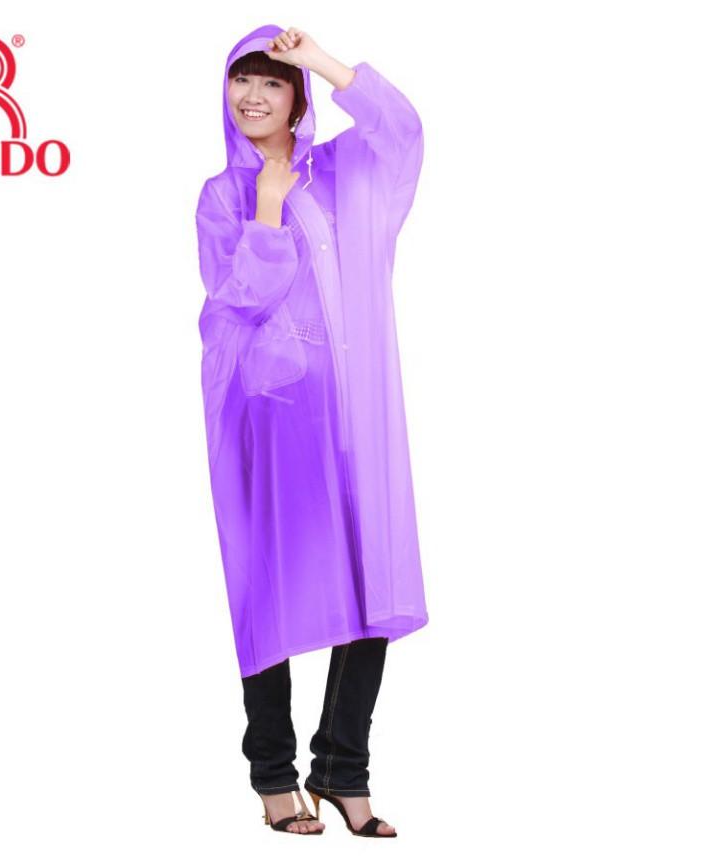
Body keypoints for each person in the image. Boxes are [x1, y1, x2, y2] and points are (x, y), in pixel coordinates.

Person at [195, 24, 430, 837]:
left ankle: (341, 769)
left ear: (298, 98)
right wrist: (266, 208)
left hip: (357, 408)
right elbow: (234, 304)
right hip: (274, 416)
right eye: (242, 79)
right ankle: (271, 773)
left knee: (369, 583)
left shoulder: (345, 170)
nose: (253, 95)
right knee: (267, 585)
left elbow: (401, 125)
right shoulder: (222, 195)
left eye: (272, 80)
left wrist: (321, 61)